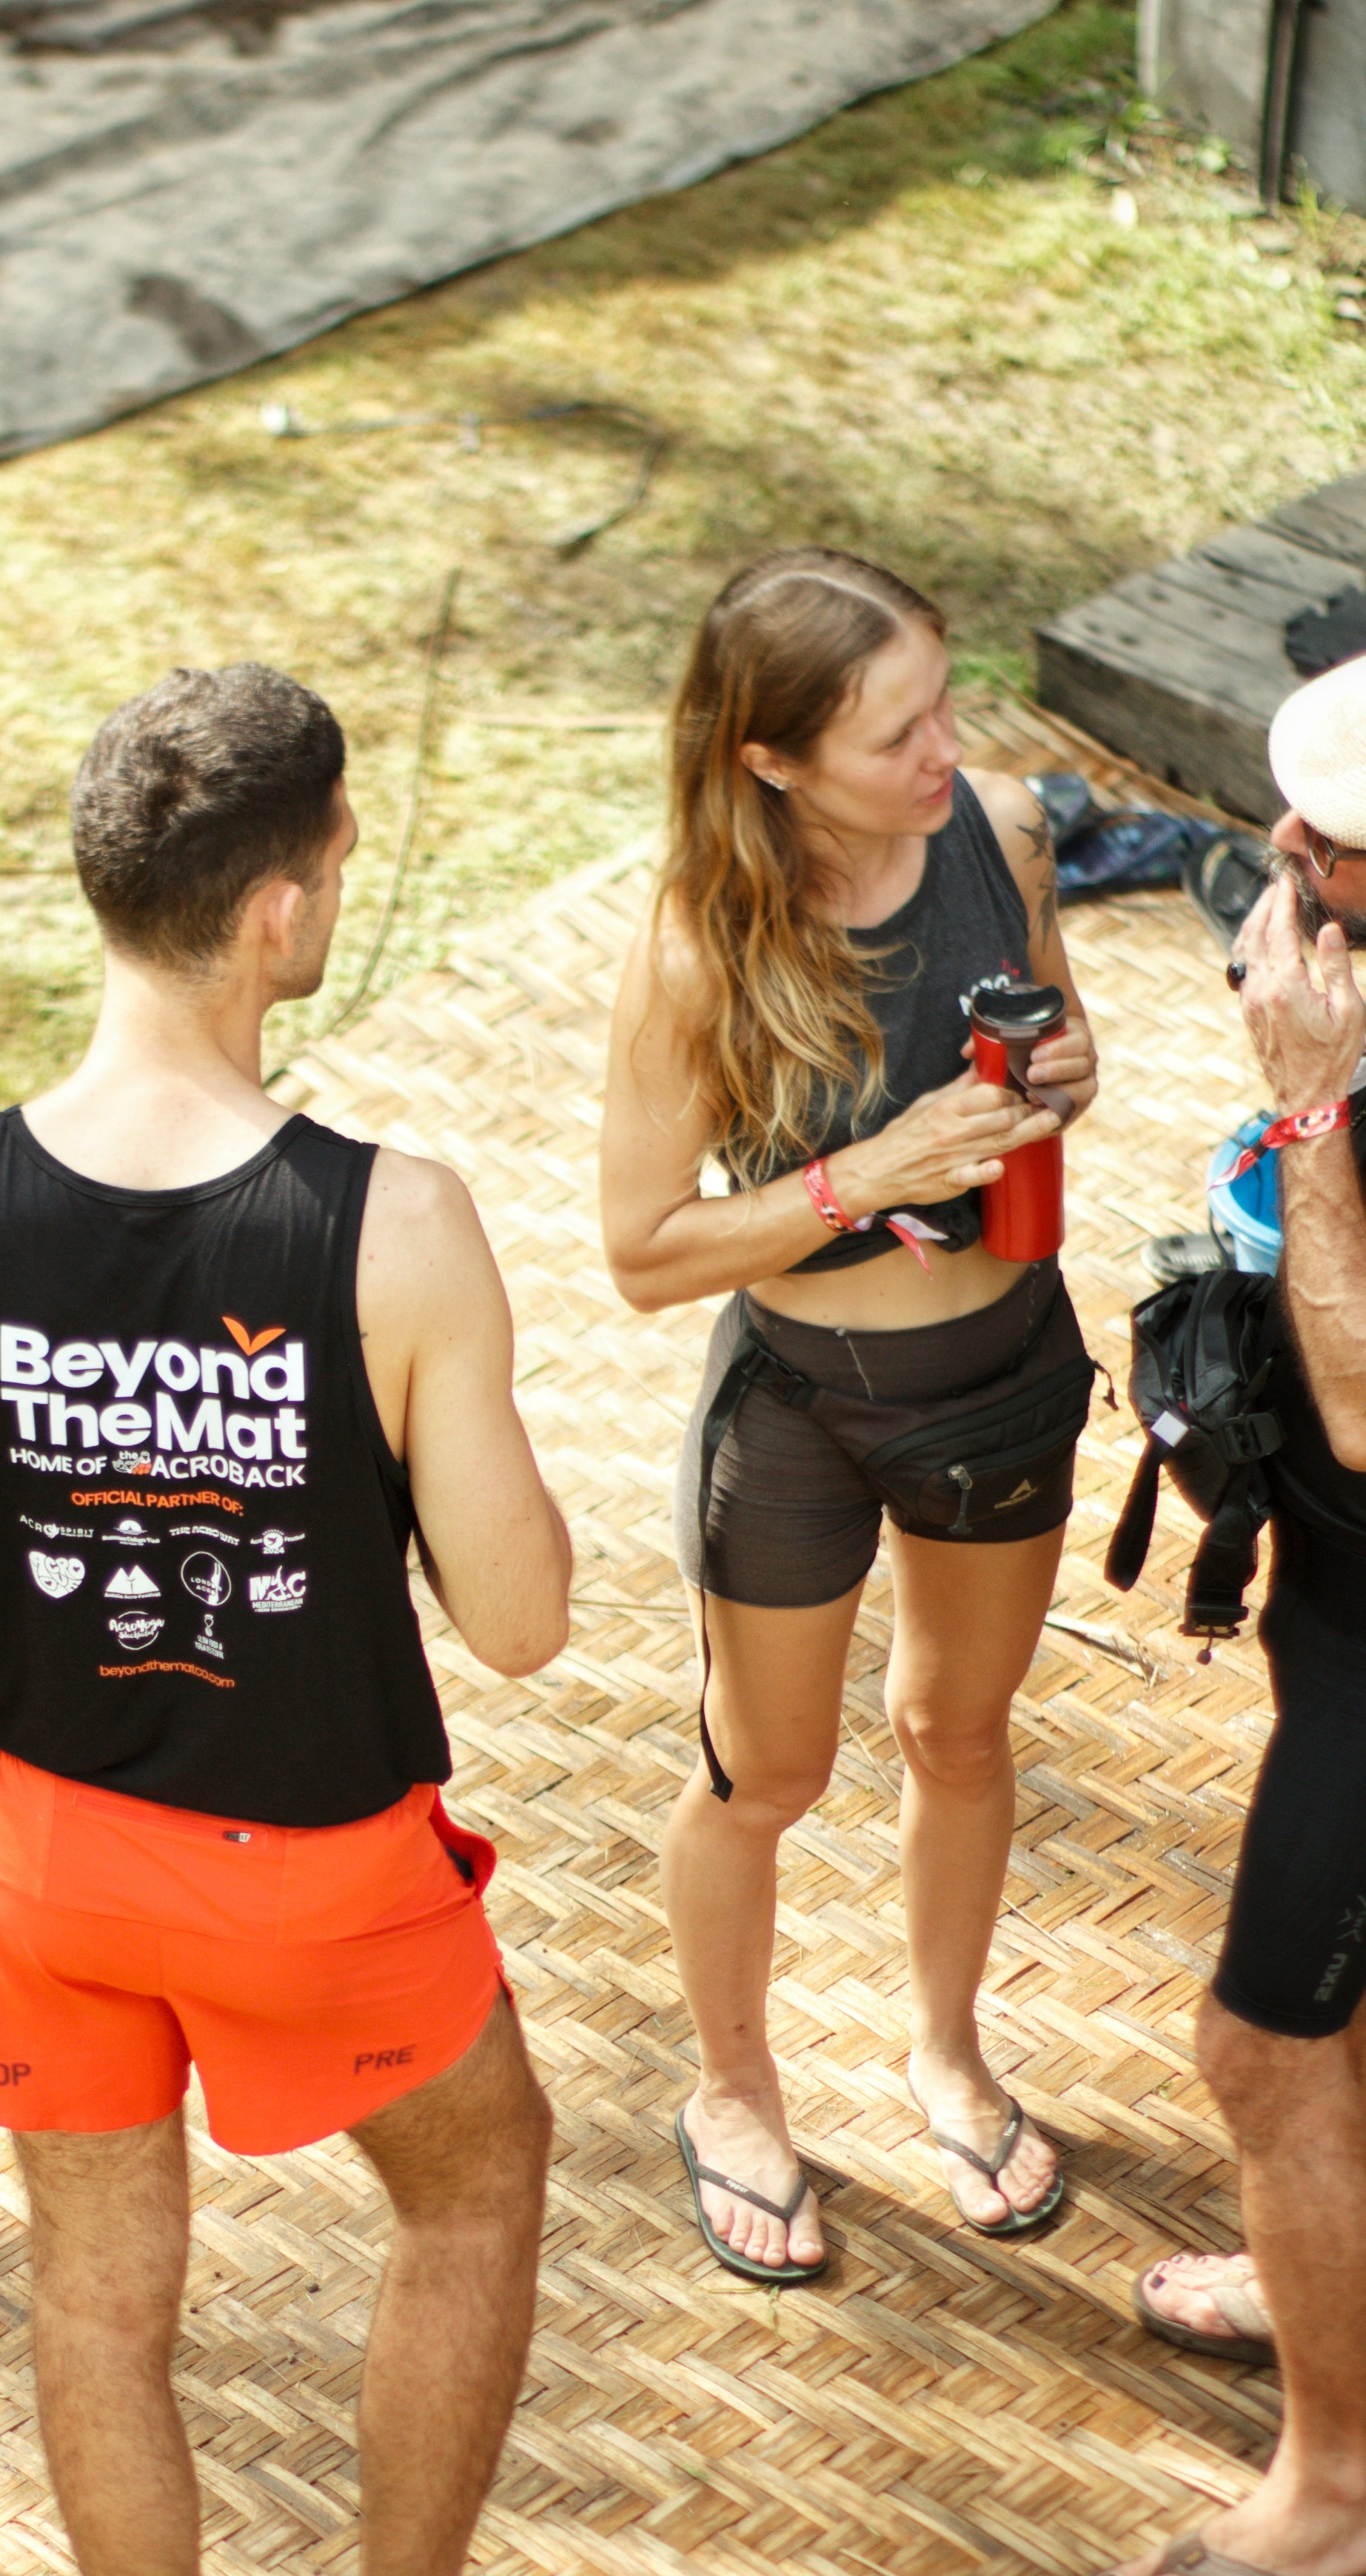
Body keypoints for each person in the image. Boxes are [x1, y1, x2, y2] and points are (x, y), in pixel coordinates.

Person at [0, 664, 677, 2576]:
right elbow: (525, 1613)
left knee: (96, 2297)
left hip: (35, 1858)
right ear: (277, 913)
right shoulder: (394, 1225)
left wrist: (29, 1465)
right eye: (340, 856)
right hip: (311, 1864)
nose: (343, 882)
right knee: (473, 2183)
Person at [600, 549, 1100, 2280]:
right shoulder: (698, 944)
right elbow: (641, 1250)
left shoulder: (1004, 831)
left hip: (1004, 1370)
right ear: (768, 759)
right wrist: (859, 1175)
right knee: (766, 1772)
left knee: (956, 1735)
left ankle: (945, 2051)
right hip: (802, 1400)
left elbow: (1056, 1022)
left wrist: (1066, 1071)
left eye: (941, 701)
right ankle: (731, 2091)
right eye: (894, 733)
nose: (941, 751)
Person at [1087, 654, 1366, 2576]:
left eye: (1328, 841)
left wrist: (1304, 1107)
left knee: (1258, 2050)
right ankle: (1331, 2270)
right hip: (1336, 1598)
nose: (1280, 855)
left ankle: (1338, 2492)